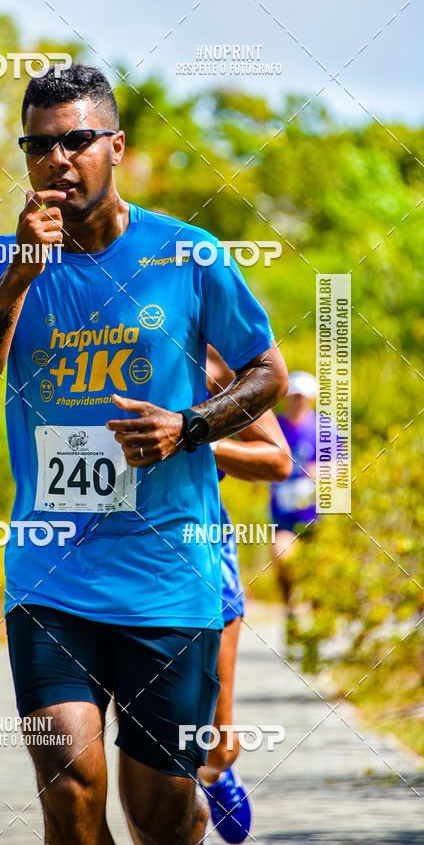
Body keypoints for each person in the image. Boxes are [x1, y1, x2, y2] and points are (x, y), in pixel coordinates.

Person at [0, 63, 288, 845]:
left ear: (116, 146)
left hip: (169, 577)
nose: (56, 160)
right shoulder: (0, 262)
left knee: (160, 816)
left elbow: (268, 373)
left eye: (76, 141)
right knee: (69, 785)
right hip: (49, 572)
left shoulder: (189, 256)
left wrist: (189, 427)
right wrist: (17, 283)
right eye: (38, 146)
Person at [196, 345, 291, 842]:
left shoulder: (212, 364)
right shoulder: (69, 344)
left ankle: (216, 771)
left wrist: (194, 439)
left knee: (215, 736)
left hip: (200, 555)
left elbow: (277, 462)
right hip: (94, 562)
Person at [269, 371, 318, 647]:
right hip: (284, 518)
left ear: (310, 399)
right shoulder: (275, 427)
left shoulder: (324, 429)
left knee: (319, 576)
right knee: (282, 556)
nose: (296, 402)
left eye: (301, 397)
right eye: (292, 397)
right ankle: (289, 612)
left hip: (317, 518)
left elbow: (343, 469)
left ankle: (317, 632)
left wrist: (316, 471)